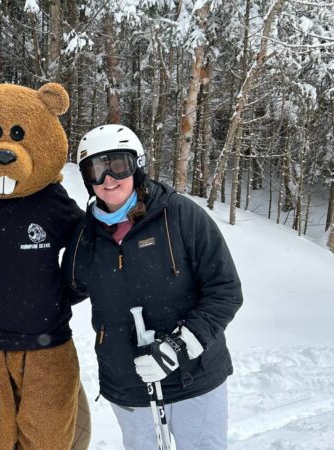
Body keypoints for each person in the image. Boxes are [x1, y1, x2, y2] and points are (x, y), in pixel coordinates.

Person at [63, 124, 243, 450]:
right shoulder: (86, 235)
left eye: (118, 165)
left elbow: (225, 290)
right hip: (127, 382)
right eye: (96, 170)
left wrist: (178, 347)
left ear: (138, 166)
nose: (108, 179)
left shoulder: (179, 215)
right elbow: (63, 292)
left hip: (195, 378)